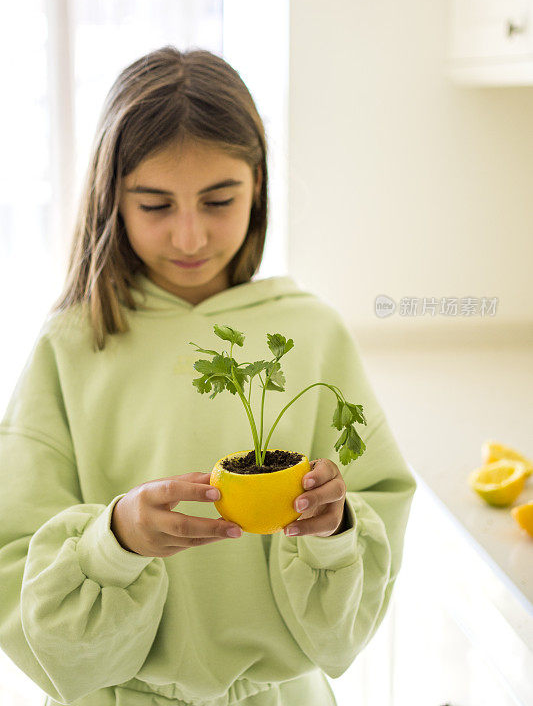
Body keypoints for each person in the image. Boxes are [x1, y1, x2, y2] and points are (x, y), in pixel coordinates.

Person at [0, 46, 417, 706]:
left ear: (257, 186)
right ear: (112, 200)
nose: (190, 237)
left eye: (218, 200)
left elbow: (374, 538)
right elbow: (14, 565)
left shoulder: (315, 335)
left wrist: (334, 529)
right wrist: (114, 543)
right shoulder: (70, 348)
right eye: (155, 205)